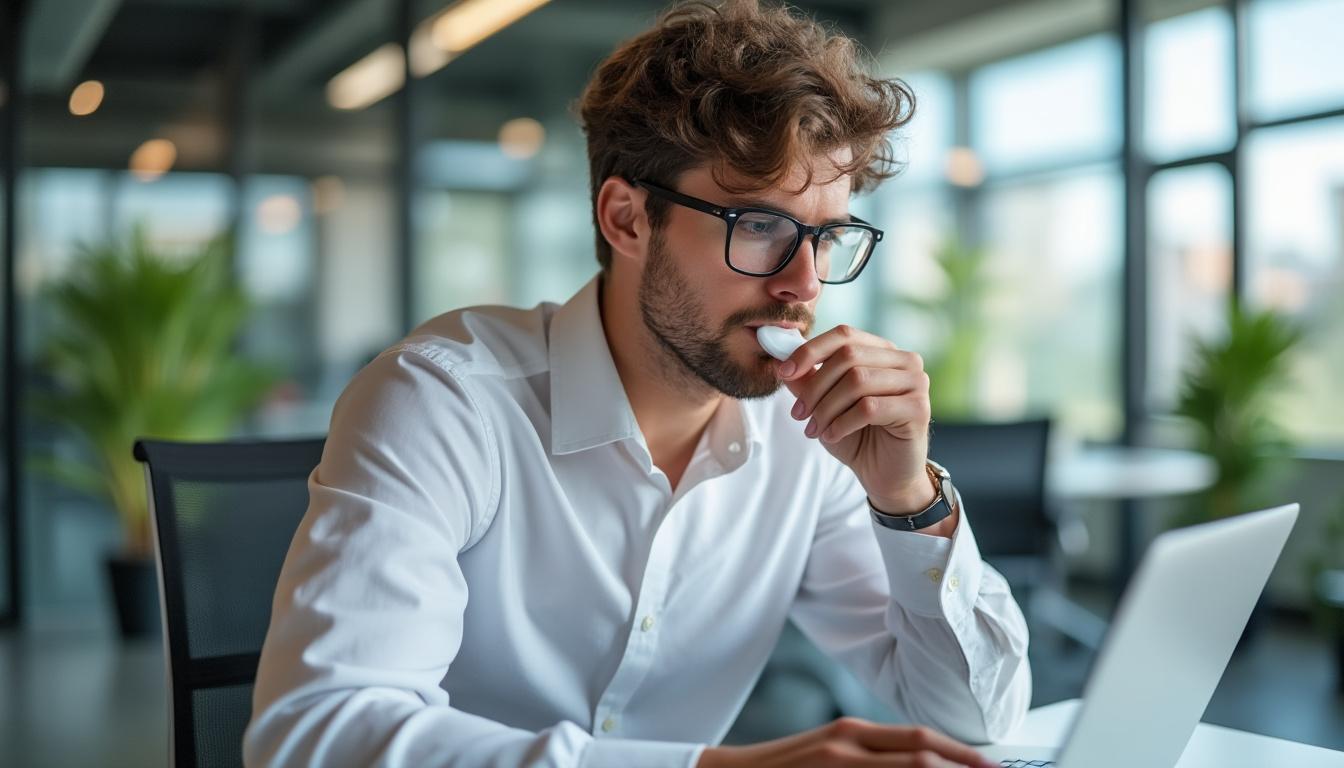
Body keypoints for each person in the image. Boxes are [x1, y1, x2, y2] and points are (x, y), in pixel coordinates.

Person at [244, 1, 1030, 766]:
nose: (804, 283)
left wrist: (909, 499)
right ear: (626, 219)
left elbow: (975, 716)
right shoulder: (446, 401)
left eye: (826, 238)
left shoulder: (806, 440)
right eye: (760, 227)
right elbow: (314, 736)